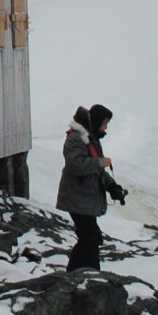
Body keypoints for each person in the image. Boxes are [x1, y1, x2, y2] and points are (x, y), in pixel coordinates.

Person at [57, 104, 129, 271]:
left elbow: (98, 171)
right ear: (96, 122)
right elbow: (75, 164)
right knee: (91, 237)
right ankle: (85, 273)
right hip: (77, 198)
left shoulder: (91, 139)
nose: (105, 129)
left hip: (84, 199)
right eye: (104, 124)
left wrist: (112, 187)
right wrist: (100, 162)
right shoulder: (76, 138)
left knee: (89, 237)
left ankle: (81, 273)